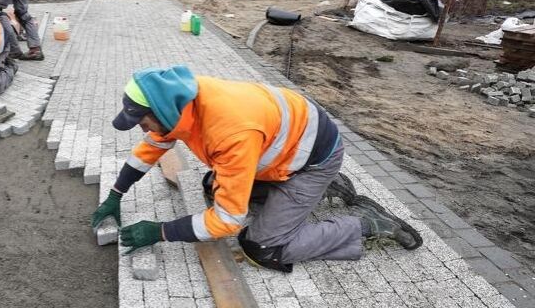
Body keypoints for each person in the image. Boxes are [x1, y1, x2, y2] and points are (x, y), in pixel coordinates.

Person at [91, 65, 422, 271]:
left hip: (313, 159)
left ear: (164, 111)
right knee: (212, 185)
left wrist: (161, 232)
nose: (141, 129)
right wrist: (115, 196)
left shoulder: (230, 131)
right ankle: (324, 187)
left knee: (261, 247)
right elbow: (152, 145)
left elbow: (227, 221)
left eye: (143, 121)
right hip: (290, 146)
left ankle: (366, 223)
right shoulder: (183, 100)